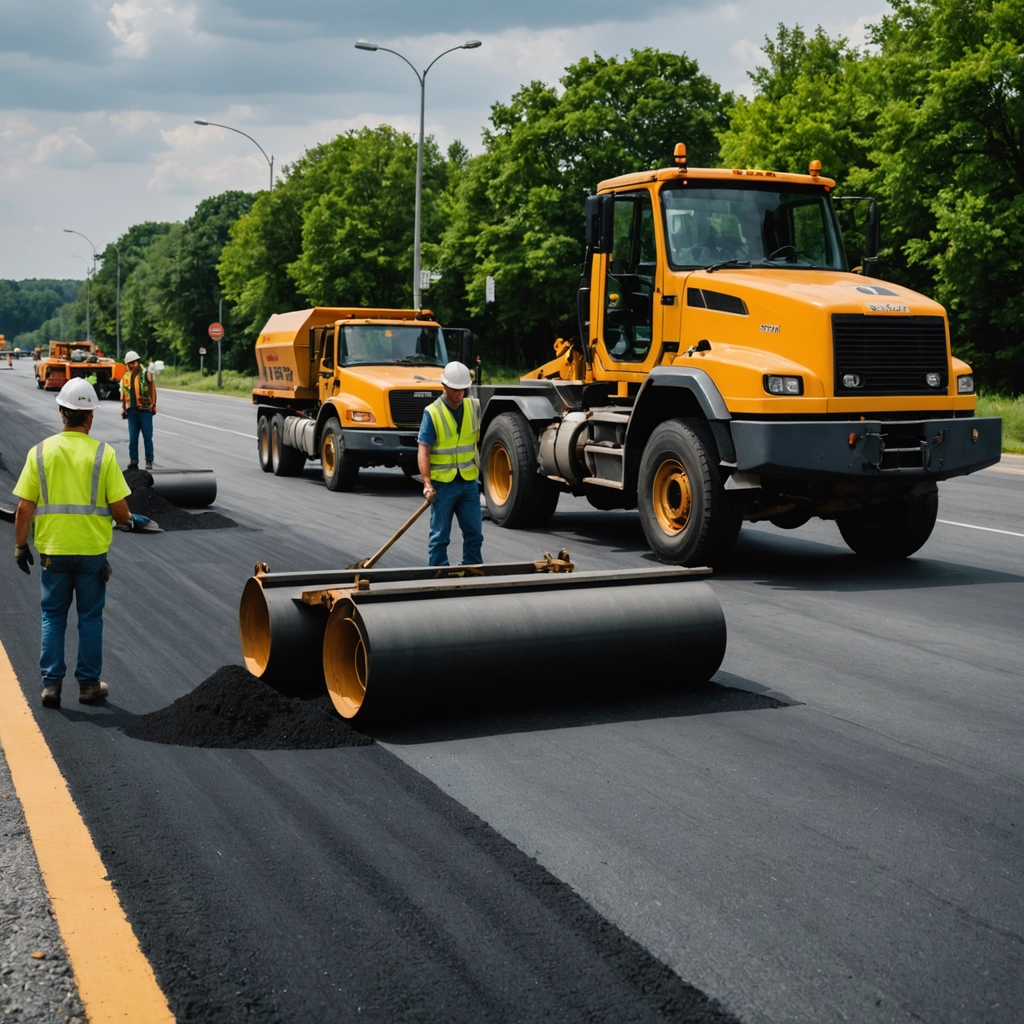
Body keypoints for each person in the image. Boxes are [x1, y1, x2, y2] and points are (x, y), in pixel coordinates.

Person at [13, 378, 135, 708]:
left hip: (53, 552)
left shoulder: (40, 452)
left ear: (61, 413)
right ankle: (88, 686)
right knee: (90, 619)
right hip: (92, 553)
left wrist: (21, 546)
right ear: (90, 417)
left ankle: (51, 687)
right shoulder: (103, 454)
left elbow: (24, 508)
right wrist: (128, 521)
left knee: (53, 617)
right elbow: (122, 513)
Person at [416, 361, 483, 566]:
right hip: (443, 486)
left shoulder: (473, 407)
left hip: (468, 482)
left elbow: (475, 442)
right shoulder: (433, 412)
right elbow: (423, 451)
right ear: (444, 387)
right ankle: (437, 574)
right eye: (455, 389)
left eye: (463, 388)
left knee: (474, 534)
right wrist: (427, 483)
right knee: (440, 536)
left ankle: (472, 569)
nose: (459, 393)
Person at [119, 350, 157, 470]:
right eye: (129, 363)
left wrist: (154, 404)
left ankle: (149, 460)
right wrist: (123, 408)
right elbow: (124, 394)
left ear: (138, 362)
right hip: (132, 411)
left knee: (147, 437)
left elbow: (152, 390)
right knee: (133, 438)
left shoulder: (147, 374)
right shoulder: (126, 376)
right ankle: (133, 460)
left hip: (145, 410)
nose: (131, 365)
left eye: (133, 363)